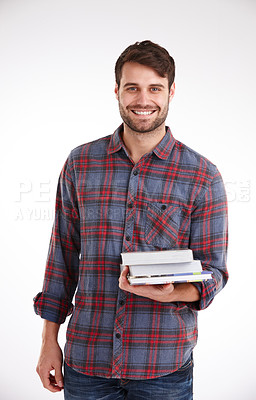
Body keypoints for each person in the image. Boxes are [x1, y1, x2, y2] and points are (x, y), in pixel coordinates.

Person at [34, 40, 228, 400]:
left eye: (154, 88)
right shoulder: (81, 163)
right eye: (132, 88)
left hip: (163, 366)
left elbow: (214, 273)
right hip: (86, 362)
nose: (143, 100)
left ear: (171, 92)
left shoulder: (202, 176)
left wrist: (173, 294)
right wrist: (49, 342)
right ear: (117, 92)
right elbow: (61, 259)